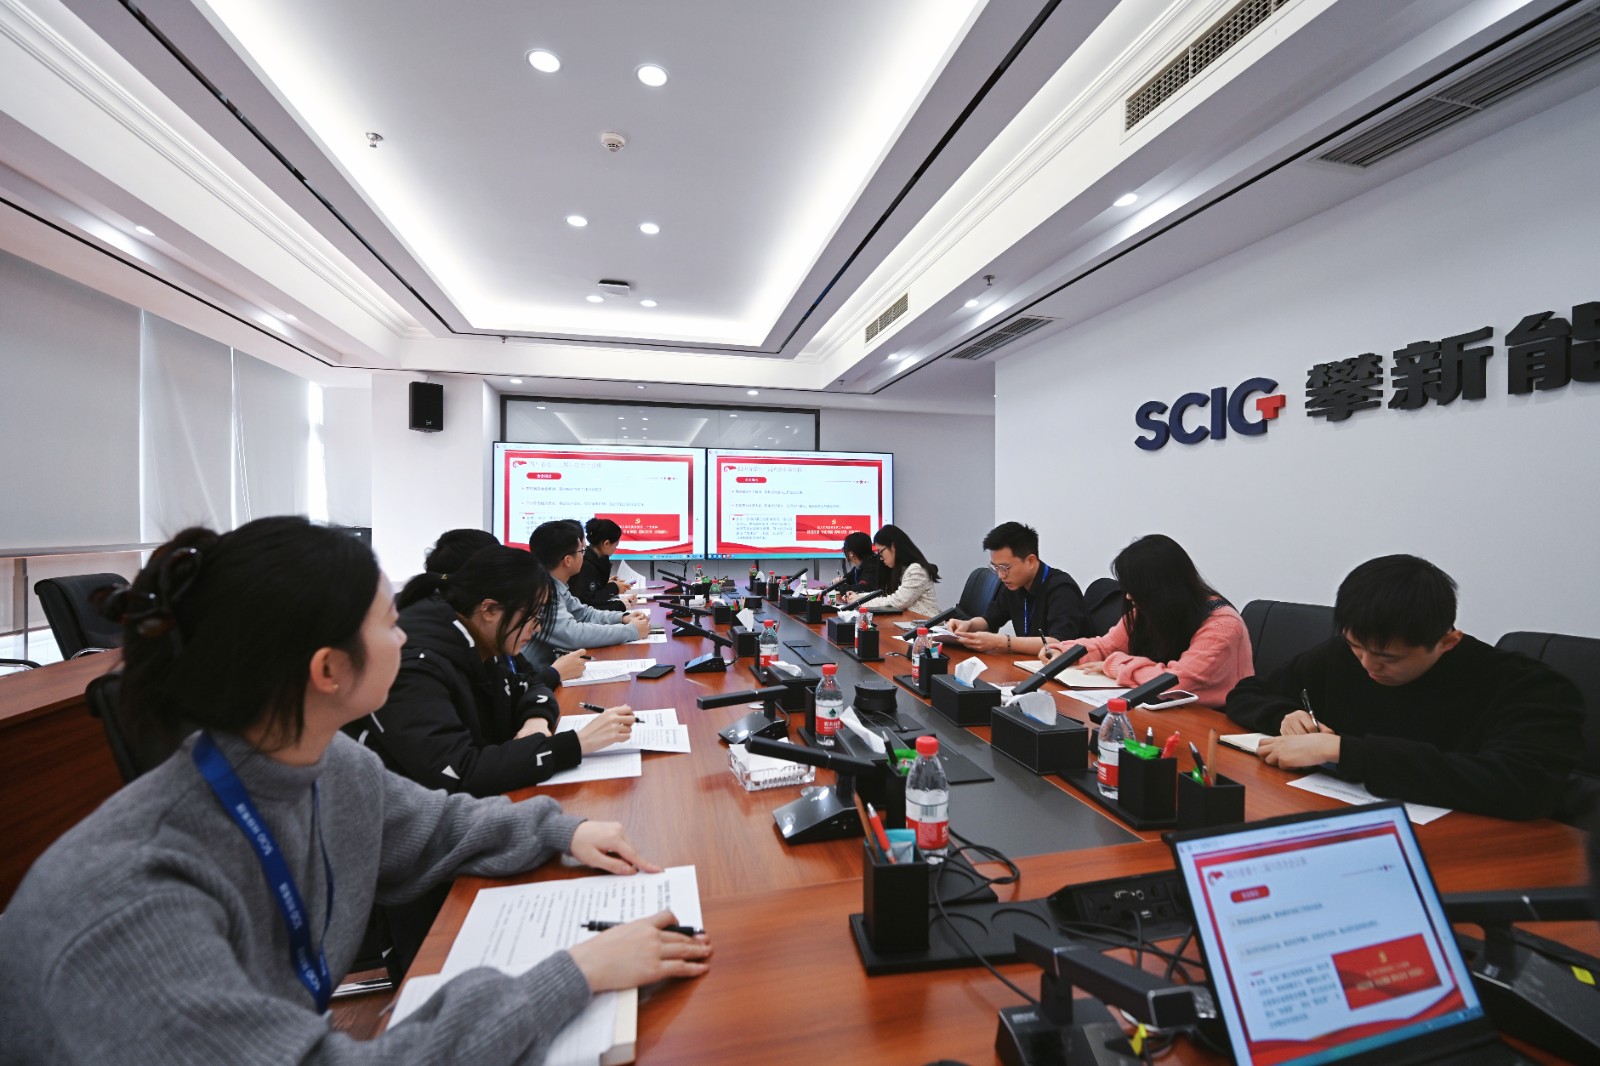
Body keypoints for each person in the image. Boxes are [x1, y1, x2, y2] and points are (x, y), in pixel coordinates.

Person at [0, 517, 710, 1064]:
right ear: (328, 670)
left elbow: (439, 827)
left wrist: (563, 831)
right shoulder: (134, 903)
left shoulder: (323, 763)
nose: (407, 637)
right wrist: (574, 974)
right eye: (388, 622)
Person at [1226, 554, 1584, 820]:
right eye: (1356, 646)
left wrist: (1345, 751)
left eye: (1389, 657)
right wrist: (1285, 714)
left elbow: (1522, 787)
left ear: (1447, 641)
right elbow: (1246, 694)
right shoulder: (1345, 654)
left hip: (1478, 847)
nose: (1368, 664)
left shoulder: (1529, 688)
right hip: (1348, 820)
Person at [350, 543, 636, 796]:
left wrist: (535, 719)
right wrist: (577, 744)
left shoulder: (484, 637)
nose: (537, 628)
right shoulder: (417, 665)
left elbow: (531, 684)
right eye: (532, 616)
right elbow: (460, 772)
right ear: (489, 610)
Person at [1039, 534, 1252, 706]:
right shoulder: (1151, 610)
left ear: (1161, 588)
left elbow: (1176, 683)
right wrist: (1063, 652)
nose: (1128, 596)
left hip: (1211, 722)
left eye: (1136, 588)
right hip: (1160, 710)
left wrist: (1115, 665)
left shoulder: (1222, 626)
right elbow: (1106, 646)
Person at [425, 528, 586, 688]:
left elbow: (520, 686)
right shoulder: (433, 665)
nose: (537, 627)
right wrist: (554, 674)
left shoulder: (493, 642)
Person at [524, 520, 651, 675]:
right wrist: (630, 631)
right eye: (581, 551)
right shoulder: (542, 592)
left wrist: (622, 618)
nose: (584, 555)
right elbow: (573, 634)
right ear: (568, 560)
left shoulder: (555, 585)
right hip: (535, 678)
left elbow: (584, 614)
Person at [946, 521, 1087, 655]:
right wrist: (968, 625)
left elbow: (1058, 643)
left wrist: (1002, 642)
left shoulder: (1062, 589)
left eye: (1005, 567)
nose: (1000, 575)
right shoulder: (1014, 585)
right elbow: (989, 620)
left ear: (1030, 561)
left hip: (1070, 668)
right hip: (1031, 663)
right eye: (996, 567)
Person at [849, 525, 940, 615]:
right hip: (910, 621)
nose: (880, 557)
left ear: (893, 547)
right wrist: (859, 596)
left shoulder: (916, 570)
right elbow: (885, 595)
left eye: (881, 551)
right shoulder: (899, 570)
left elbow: (898, 601)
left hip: (927, 623)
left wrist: (860, 601)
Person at [571, 517, 637, 611]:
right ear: (606, 544)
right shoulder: (586, 565)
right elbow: (589, 600)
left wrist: (606, 584)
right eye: (616, 545)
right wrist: (614, 588)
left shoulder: (600, 559)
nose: (616, 548)